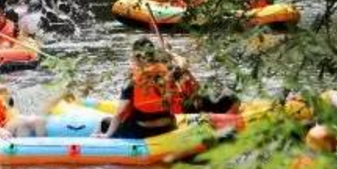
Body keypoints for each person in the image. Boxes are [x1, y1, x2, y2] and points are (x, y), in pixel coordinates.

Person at [93, 37, 238, 139]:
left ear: (136, 58)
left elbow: (118, 115)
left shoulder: (132, 81)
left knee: (104, 122)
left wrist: (107, 136)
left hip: (144, 131)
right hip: (167, 126)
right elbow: (183, 64)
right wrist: (170, 53)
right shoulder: (169, 72)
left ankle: (96, 139)